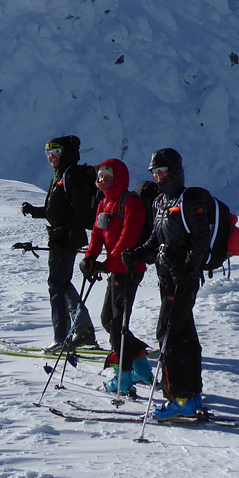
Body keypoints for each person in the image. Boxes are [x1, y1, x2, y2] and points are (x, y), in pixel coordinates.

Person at [125, 147, 214, 419]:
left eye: (162, 171)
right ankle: (191, 395)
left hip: (182, 280)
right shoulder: (160, 202)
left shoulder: (190, 200)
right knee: (184, 335)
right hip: (167, 279)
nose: (157, 176)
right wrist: (136, 254)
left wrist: (188, 269)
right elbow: (156, 241)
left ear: (175, 171)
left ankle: (179, 399)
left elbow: (201, 239)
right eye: (154, 171)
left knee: (168, 336)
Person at [78, 159, 152, 392]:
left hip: (130, 269)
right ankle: (141, 367)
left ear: (118, 178)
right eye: (100, 176)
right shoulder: (104, 203)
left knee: (117, 323)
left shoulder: (130, 202)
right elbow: (97, 235)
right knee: (110, 320)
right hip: (116, 270)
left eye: (107, 176)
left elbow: (128, 238)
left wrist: (107, 264)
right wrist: (90, 258)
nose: (102, 180)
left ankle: (123, 378)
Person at [21, 135, 97, 351]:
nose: (51, 157)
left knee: (56, 285)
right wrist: (35, 211)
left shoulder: (70, 175)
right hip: (60, 239)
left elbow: (81, 210)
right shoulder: (61, 175)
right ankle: (84, 331)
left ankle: (62, 338)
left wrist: (71, 239)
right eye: (48, 153)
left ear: (67, 153)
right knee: (61, 283)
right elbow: (56, 210)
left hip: (64, 241)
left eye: (56, 152)